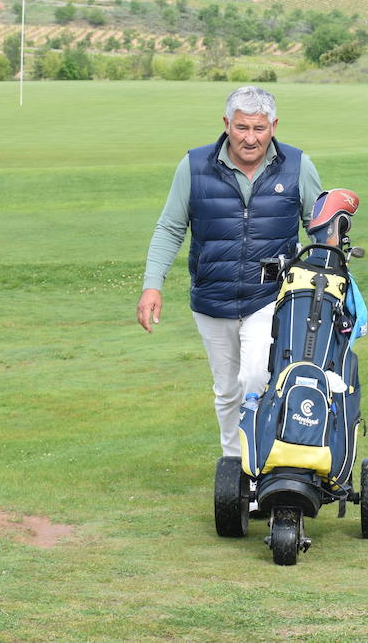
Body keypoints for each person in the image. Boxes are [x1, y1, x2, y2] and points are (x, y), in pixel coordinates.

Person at [137, 86, 321, 457]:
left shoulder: (298, 165)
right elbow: (170, 228)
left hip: (270, 297)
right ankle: (235, 468)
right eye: (241, 128)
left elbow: (319, 228)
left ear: (273, 126)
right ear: (227, 124)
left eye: (259, 128)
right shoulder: (194, 165)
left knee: (257, 376)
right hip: (212, 299)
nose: (250, 138)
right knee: (227, 390)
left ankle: (262, 461)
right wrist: (152, 285)